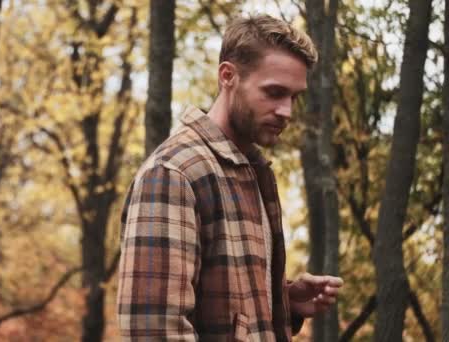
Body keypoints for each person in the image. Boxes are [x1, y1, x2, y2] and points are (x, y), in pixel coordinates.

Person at [116, 14, 343, 341]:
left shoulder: (249, 171)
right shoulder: (173, 174)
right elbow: (152, 330)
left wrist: (281, 301)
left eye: (294, 97)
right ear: (228, 76)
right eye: (274, 92)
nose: (287, 111)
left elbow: (225, 314)